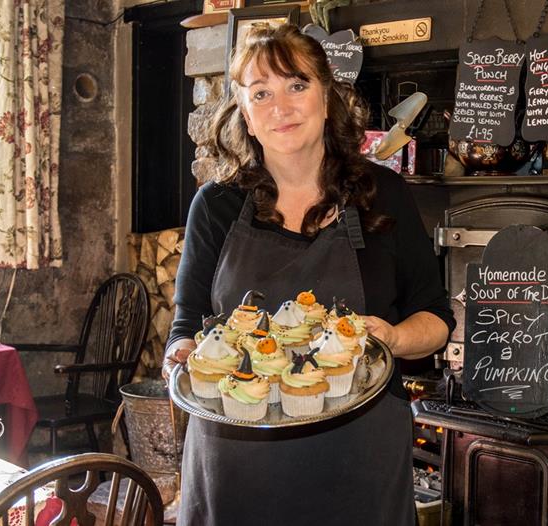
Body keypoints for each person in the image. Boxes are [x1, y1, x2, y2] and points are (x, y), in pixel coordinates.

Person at [163, 23, 455, 526]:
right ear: (247, 116)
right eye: (261, 93)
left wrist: (391, 336)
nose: (282, 106)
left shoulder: (383, 194)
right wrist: (182, 355)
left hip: (359, 461)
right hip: (237, 464)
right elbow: (188, 324)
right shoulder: (215, 205)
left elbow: (435, 317)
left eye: (297, 85)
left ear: (326, 98)